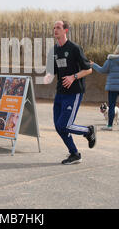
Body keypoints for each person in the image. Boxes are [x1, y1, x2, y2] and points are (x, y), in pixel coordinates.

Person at [43, 20, 96, 165]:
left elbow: (88, 69)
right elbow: (52, 71)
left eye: (58, 28)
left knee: (64, 124)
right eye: (54, 28)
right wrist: (48, 77)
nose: (55, 30)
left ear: (65, 30)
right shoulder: (53, 50)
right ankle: (74, 153)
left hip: (74, 92)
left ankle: (88, 131)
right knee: (58, 126)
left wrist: (74, 77)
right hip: (60, 92)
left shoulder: (74, 48)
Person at [90, 44, 119, 131]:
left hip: (112, 87)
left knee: (111, 106)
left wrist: (94, 65)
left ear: (116, 50)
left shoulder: (110, 61)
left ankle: (109, 126)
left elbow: (102, 70)